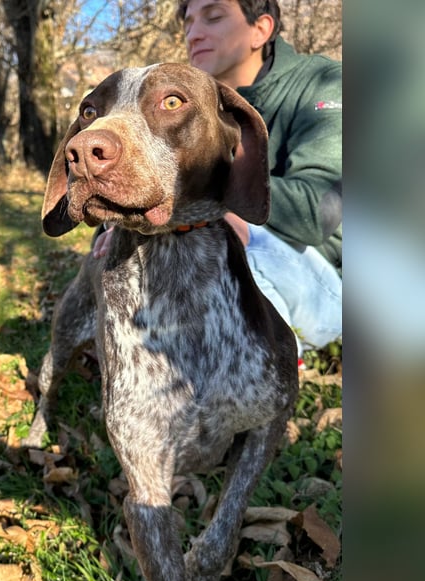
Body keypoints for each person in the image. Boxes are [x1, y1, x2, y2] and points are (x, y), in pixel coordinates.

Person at [94, 0, 342, 358]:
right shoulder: (190, 106)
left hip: (323, 278)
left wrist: (216, 205)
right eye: (189, 22)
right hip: (225, 253)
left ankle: (268, 369)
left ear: (261, 29)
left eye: (213, 17)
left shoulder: (323, 83)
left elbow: (319, 211)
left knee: (224, 237)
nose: (194, 34)